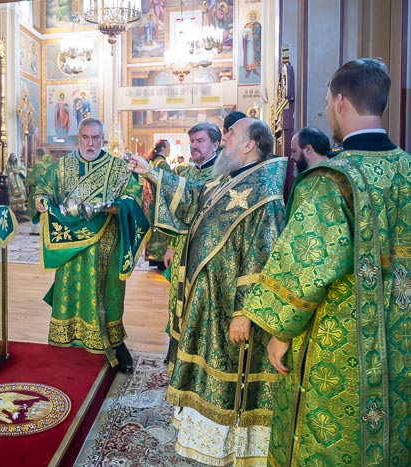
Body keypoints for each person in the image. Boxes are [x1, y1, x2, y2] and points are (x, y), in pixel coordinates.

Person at [242, 58, 411, 466]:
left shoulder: (331, 181)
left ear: (339, 102)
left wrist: (280, 331)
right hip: (402, 337)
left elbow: (306, 266)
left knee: (327, 437)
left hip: (339, 342)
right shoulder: (407, 170)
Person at [127, 118, 288, 466]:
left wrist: (245, 313)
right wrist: (151, 171)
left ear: (249, 145)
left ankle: (230, 446)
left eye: (231, 133)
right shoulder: (228, 179)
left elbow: (263, 257)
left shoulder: (264, 192)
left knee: (226, 375)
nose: (224, 137)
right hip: (209, 301)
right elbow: (193, 197)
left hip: (230, 306)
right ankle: (203, 437)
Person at [34, 118, 149, 372]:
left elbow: (133, 197)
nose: (91, 143)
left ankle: (115, 342)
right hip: (71, 245)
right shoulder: (61, 166)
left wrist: (112, 207)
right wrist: (41, 201)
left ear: (102, 139)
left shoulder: (118, 168)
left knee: (108, 293)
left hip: (107, 243)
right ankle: (68, 338)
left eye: (96, 138)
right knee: (71, 289)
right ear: (79, 138)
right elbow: (43, 188)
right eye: (86, 137)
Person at [163, 123, 222, 359]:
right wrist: (170, 246)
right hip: (181, 248)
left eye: (200, 141)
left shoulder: (222, 173)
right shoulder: (184, 173)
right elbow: (175, 213)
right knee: (177, 298)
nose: (194, 146)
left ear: (215, 144)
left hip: (206, 249)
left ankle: (196, 355)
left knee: (200, 301)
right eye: (192, 141)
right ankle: (175, 353)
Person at [143, 139, 172, 270]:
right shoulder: (162, 164)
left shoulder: (153, 162)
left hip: (151, 202)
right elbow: (171, 183)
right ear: (163, 148)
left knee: (154, 231)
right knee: (162, 231)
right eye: (168, 147)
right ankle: (161, 259)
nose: (170, 150)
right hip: (161, 204)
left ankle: (153, 257)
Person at [25, 147, 53, 233]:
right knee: (45, 207)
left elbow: (34, 179)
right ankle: (46, 229)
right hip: (47, 190)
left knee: (36, 208)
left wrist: (27, 180)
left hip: (37, 190)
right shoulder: (49, 164)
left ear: (38, 154)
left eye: (35, 154)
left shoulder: (39, 165)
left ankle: (36, 230)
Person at [242, 10, 262, 78]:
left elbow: (261, 34)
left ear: (256, 17)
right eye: (252, 17)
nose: (253, 18)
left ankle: (255, 70)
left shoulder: (258, 25)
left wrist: (257, 37)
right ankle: (249, 70)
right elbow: (243, 35)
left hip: (256, 43)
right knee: (249, 57)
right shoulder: (247, 25)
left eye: (254, 16)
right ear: (250, 17)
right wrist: (245, 35)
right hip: (249, 44)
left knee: (255, 57)